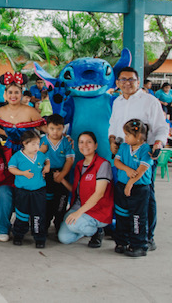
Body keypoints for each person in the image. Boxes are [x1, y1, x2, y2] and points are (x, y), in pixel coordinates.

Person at [108, 67, 168, 251]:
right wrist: (111, 140)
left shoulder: (149, 101)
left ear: (138, 81)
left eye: (131, 79)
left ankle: (147, 237)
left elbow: (161, 127)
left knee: (145, 195)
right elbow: (113, 125)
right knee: (125, 196)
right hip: (123, 153)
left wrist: (158, 143)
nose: (127, 83)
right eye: (123, 79)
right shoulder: (117, 102)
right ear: (117, 83)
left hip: (144, 153)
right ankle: (127, 236)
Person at [58, 131, 114, 248]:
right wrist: (61, 179)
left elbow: (99, 194)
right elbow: (76, 190)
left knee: (73, 224)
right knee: (64, 238)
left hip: (97, 210)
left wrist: (78, 213)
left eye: (89, 142)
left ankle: (97, 231)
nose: (85, 145)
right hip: (79, 206)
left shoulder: (103, 164)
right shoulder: (79, 165)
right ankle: (84, 228)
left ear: (95, 145)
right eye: (81, 142)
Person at [112, 119, 154, 257]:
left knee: (137, 217)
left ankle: (138, 245)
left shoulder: (146, 149)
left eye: (128, 135)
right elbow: (117, 161)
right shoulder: (124, 147)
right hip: (122, 186)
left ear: (139, 136)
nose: (125, 137)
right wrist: (127, 170)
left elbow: (142, 169)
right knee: (121, 214)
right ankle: (122, 242)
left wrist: (130, 183)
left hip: (139, 189)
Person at [0, 74, 46, 153]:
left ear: (21, 94)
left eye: (16, 92)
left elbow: (45, 129)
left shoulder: (31, 111)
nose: (13, 95)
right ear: (5, 94)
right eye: (10, 92)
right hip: (8, 149)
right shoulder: (1, 111)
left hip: (28, 151)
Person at [8, 130, 50, 248]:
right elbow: (11, 168)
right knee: (22, 214)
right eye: (33, 144)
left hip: (38, 191)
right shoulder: (17, 156)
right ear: (24, 143)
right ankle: (18, 235)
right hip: (23, 191)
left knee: (38, 215)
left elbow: (47, 159)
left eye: (38, 144)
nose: (36, 147)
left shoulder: (40, 155)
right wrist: (22, 173)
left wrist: (47, 166)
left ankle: (39, 238)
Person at [38, 114, 74, 233]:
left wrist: (61, 175)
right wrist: (41, 152)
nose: (55, 132)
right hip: (46, 174)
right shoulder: (42, 141)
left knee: (61, 200)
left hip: (62, 172)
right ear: (47, 128)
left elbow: (69, 160)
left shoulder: (66, 142)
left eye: (59, 129)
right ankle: (45, 225)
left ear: (63, 128)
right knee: (47, 201)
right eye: (52, 128)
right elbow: (35, 159)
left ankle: (59, 224)